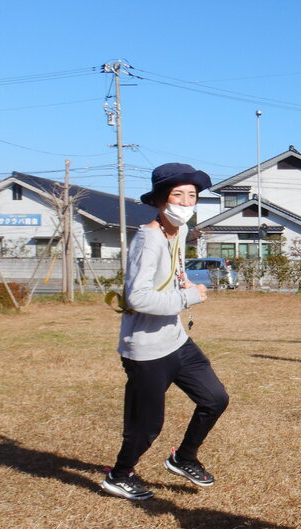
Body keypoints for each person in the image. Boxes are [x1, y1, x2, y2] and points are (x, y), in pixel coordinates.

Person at [101, 163, 229, 501]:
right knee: (146, 427)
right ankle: (119, 475)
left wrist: (182, 280)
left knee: (215, 399)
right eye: (178, 195)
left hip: (176, 340)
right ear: (161, 200)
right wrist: (188, 296)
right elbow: (137, 297)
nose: (186, 202)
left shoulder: (180, 232)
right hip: (145, 349)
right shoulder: (148, 239)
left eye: (192, 196)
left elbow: (173, 270)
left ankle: (183, 457)